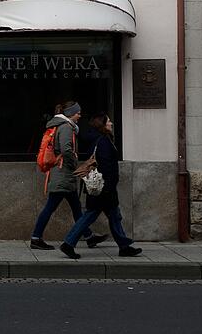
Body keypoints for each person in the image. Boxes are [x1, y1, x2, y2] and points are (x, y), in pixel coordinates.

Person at [58, 113, 142, 259]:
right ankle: (68, 243)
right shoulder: (103, 141)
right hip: (104, 188)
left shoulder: (100, 140)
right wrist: (109, 186)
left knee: (114, 216)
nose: (111, 124)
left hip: (103, 187)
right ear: (102, 125)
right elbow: (106, 166)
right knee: (91, 216)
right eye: (108, 121)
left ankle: (124, 246)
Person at [30, 101, 108, 250]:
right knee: (51, 207)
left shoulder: (62, 126)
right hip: (63, 174)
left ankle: (89, 237)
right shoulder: (66, 127)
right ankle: (36, 237)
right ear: (71, 113)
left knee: (76, 207)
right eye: (78, 113)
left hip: (63, 174)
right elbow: (66, 149)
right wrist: (75, 165)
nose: (80, 115)